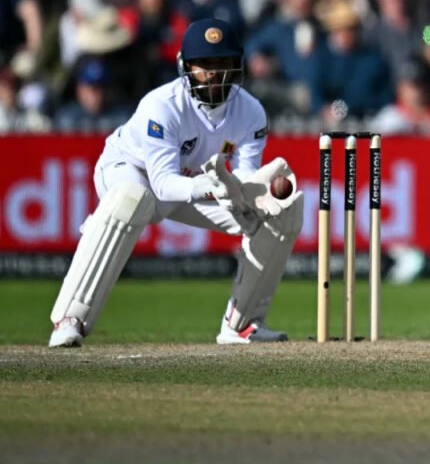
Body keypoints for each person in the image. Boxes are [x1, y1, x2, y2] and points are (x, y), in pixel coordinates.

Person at [47, 19, 304, 348]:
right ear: (186, 66)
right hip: (130, 169)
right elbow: (163, 185)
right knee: (132, 199)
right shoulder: (162, 107)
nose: (213, 74)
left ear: (236, 65)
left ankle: (241, 324)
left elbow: (243, 175)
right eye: (205, 66)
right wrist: (215, 187)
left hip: (197, 182)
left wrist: (246, 194)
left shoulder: (251, 113)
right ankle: (70, 319)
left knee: (281, 213)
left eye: (222, 64)